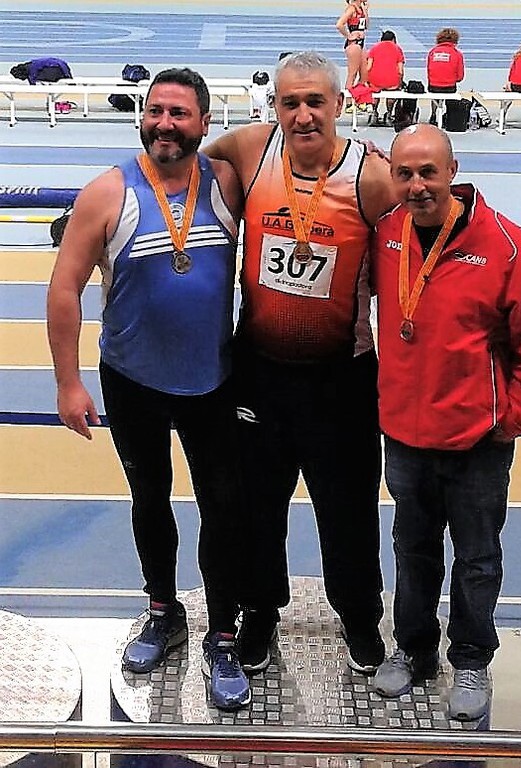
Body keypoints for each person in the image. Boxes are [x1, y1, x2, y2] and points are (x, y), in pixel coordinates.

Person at [46, 67, 251, 711]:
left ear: (204, 123)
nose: (165, 123)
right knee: (150, 500)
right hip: (132, 380)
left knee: (223, 509)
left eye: (179, 114)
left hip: (213, 382)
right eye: (155, 110)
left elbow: (290, 146)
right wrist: (68, 382)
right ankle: (163, 610)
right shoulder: (107, 192)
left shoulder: (227, 184)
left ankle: (223, 632)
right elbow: (64, 288)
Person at [203, 51, 396, 676]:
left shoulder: (371, 176)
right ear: (275, 107)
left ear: (339, 103)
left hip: (341, 377)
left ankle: (359, 616)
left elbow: (422, 225)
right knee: (258, 507)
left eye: (315, 101)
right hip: (259, 372)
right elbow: (184, 160)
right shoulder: (251, 149)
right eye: (291, 103)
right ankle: (260, 611)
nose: (304, 115)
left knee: (349, 508)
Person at [372, 124, 521, 721]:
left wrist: (509, 419)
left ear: (453, 172)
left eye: (429, 172)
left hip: (477, 440)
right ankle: (414, 649)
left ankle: (472, 658)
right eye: (405, 173)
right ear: (392, 177)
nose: (417, 185)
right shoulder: (387, 233)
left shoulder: (505, 245)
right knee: (412, 549)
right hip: (405, 436)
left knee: (477, 557)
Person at [365, 30, 405, 126]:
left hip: (375, 80)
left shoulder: (374, 48)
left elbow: (368, 67)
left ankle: (374, 112)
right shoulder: (397, 49)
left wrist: (367, 81)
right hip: (392, 81)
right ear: (393, 39)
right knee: (392, 92)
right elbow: (400, 70)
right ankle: (389, 114)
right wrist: (400, 82)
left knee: (374, 91)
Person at [426, 28, 465, 124]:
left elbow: (429, 70)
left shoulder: (432, 52)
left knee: (434, 94)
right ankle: (448, 117)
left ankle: (433, 114)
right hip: (449, 86)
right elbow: (460, 76)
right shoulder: (457, 54)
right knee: (450, 96)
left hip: (434, 85)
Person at [336, 0, 369, 98]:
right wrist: (349, 36)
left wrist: (365, 11)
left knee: (364, 74)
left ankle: (359, 98)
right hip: (354, 43)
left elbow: (366, 26)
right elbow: (339, 24)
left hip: (361, 42)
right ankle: (348, 102)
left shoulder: (361, 9)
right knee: (352, 74)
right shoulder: (352, 9)